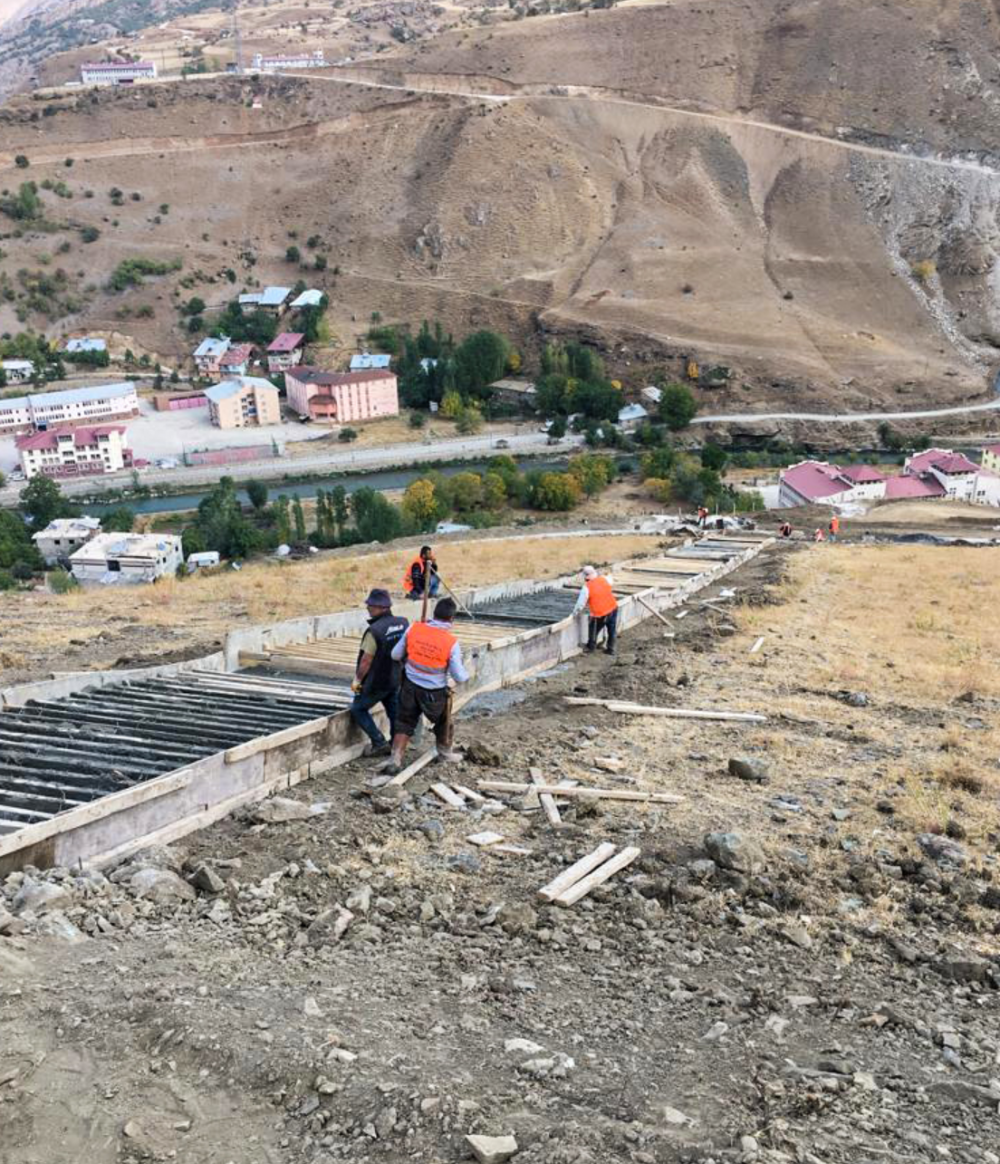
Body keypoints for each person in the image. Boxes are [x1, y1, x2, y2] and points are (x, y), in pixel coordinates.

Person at [384, 597, 470, 771]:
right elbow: (459, 677)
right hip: (434, 692)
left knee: (404, 722)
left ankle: (395, 758)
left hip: (409, 686)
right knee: (444, 722)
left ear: (434, 613)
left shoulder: (414, 629)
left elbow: (395, 655)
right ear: (451, 619)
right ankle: (444, 754)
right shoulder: (451, 642)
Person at [349, 588, 409, 757]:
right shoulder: (403, 623)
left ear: (383, 607)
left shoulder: (374, 631)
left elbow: (366, 660)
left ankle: (379, 742)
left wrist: (357, 681)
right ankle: (396, 745)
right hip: (395, 677)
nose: (368, 608)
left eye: (372, 606)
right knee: (394, 712)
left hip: (376, 681)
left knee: (358, 709)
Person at [573, 565, 619, 656]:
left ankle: (591, 647)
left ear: (586, 576)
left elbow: (580, 604)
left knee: (593, 628)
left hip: (600, 613)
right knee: (612, 630)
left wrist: (574, 613)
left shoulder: (586, 588)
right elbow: (610, 580)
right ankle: (611, 649)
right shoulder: (604, 579)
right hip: (613, 608)